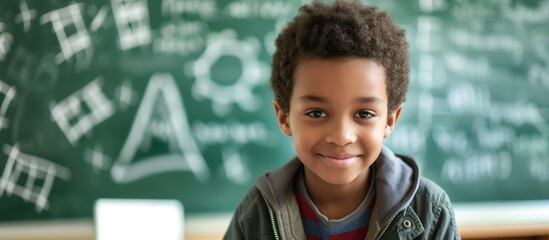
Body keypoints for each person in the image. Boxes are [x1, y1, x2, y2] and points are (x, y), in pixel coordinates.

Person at [224, 0, 460, 239]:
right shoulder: (256, 215)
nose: (341, 136)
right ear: (284, 117)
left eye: (364, 114)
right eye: (317, 113)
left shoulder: (430, 212)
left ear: (390, 120)